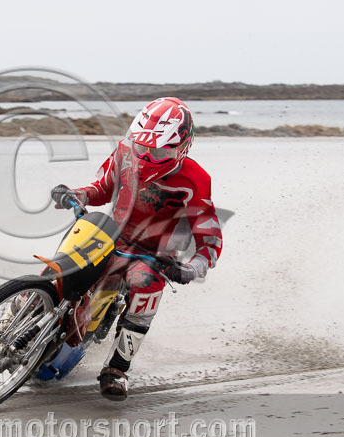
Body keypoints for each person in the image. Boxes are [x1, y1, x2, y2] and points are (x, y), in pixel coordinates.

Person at [50, 97, 223, 401]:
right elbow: (102, 187)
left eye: (157, 150)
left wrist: (190, 268)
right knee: (57, 271)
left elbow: (209, 238)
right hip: (110, 237)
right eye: (143, 147)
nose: (147, 155)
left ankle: (116, 370)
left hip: (152, 256)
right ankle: (0, 331)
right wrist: (77, 194)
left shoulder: (196, 179)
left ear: (182, 145)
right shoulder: (125, 151)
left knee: (146, 284)